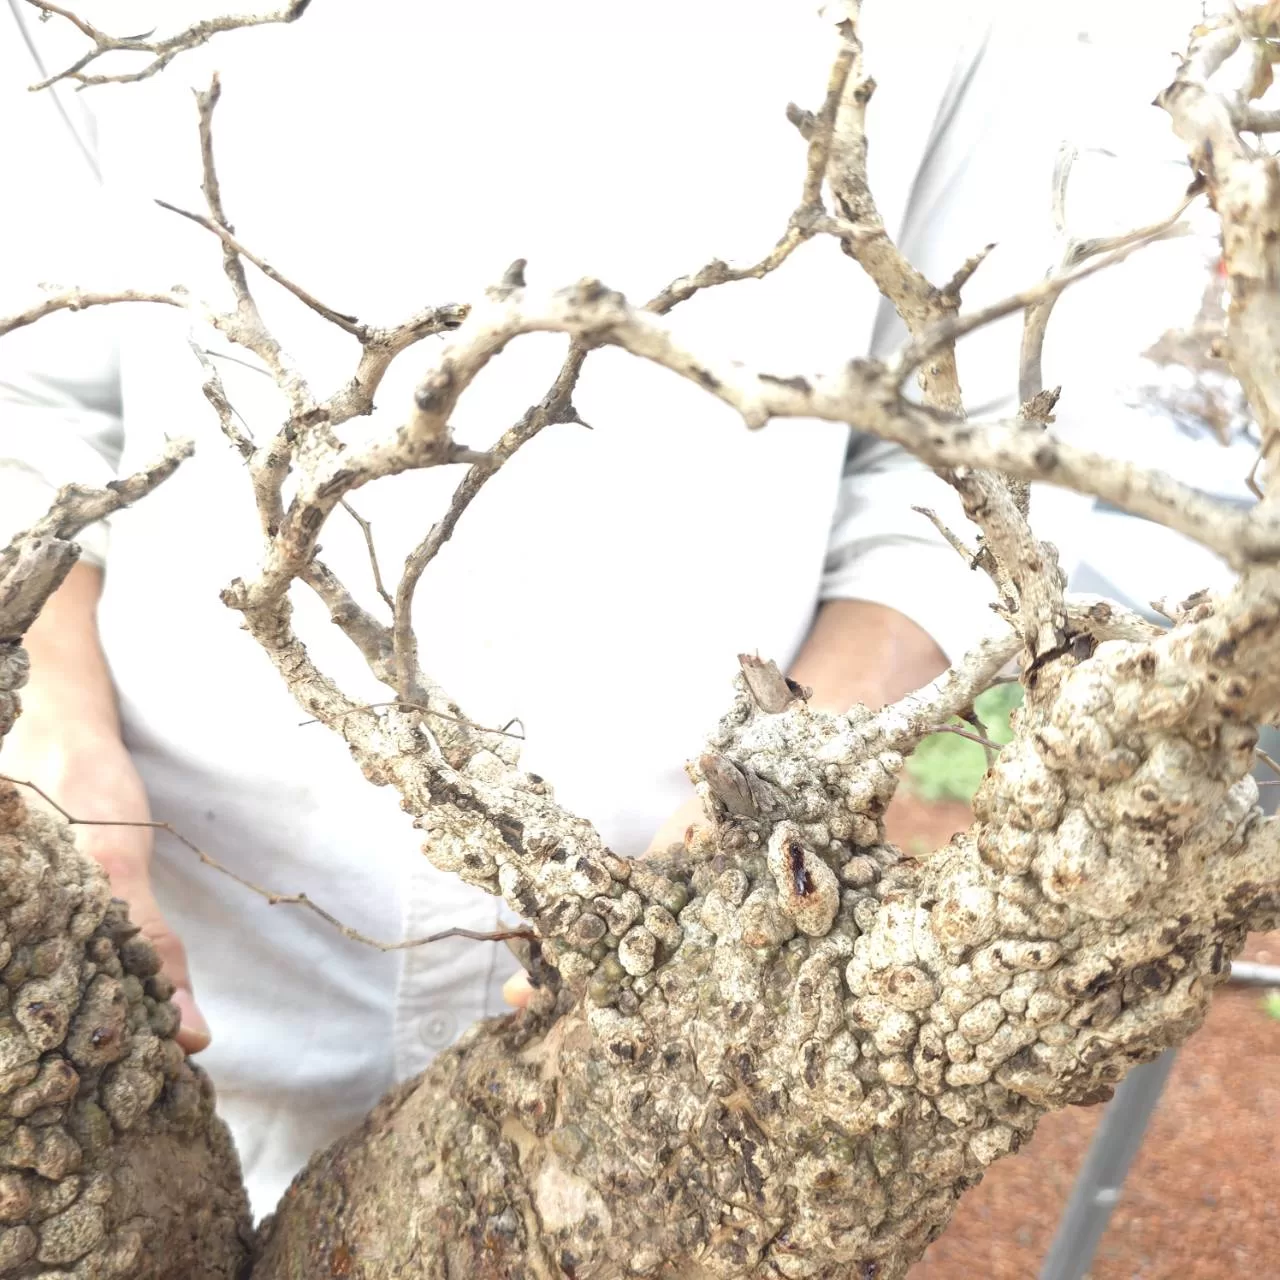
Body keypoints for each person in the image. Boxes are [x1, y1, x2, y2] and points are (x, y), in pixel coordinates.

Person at [0, 0, 1183, 1217]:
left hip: (661, 992)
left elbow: (980, 447)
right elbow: (27, 394)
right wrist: (55, 730)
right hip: (183, 957)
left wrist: (785, 788)